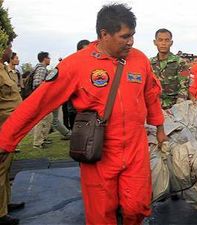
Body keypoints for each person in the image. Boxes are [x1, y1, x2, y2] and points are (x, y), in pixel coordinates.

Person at [0, 3, 166, 224]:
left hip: (136, 150)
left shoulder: (140, 60)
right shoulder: (76, 64)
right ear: (104, 34)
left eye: (133, 35)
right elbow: (38, 103)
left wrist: (160, 127)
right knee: (101, 215)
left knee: (137, 207)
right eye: (125, 36)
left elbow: (151, 95)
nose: (131, 42)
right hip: (98, 152)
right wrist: (5, 140)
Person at [0, 5, 25, 224]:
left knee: (6, 169)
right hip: (1, 130)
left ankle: (5, 203)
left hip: (10, 128)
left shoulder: (4, 69)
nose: (10, 49)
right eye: (8, 45)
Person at [150, 28, 189, 109]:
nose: (163, 43)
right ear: (155, 42)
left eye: (167, 40)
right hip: (153, 106)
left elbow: (184, 87)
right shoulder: (149, 63)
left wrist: (178, 109)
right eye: (160, 40)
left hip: (174, 108)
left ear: (171, 43)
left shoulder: (181, 63)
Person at [62, 39, 90, 130]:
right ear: (79, 51)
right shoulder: (71, 65)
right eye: (86, 50)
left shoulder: (92, 66)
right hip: (75, 107)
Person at [31, 51, 53, 149]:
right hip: (41, 98)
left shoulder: (40, 68)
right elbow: (37, 83)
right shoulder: (41, 69)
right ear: (44, 59)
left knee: (48, 118)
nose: (50, 59)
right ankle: (37, 143)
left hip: (42, 98)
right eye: (49, 57)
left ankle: (43, 138)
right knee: (40, 120)